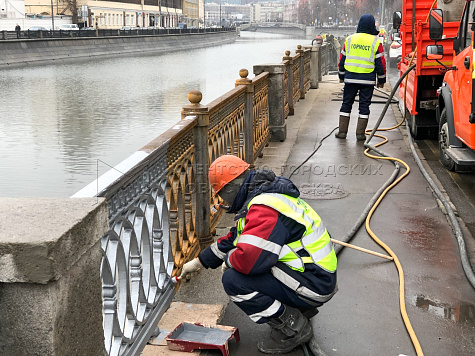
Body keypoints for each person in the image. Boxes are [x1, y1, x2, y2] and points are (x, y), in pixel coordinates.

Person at [180, 155, 338, 354]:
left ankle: (293, 328)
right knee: (248, 265)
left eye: (222, 194)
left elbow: (249, 261)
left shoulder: (263, 208)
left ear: (230, 188)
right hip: (314, 274)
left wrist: (229, 260)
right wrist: (200, 261)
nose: (223, 201)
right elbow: (235, 238)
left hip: (313, 284)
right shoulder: (267, 196)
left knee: (234, 279)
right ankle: (297, 310)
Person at [336, 14, 386, 141]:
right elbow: (381, 64)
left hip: (350, 78)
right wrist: (381, 80)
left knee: (346, 104)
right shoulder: (376, 42)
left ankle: (342, 132)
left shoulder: (349, 39)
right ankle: (360, 134)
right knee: (364, 106)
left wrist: (341, 76)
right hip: (367, 81)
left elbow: (342, 60)